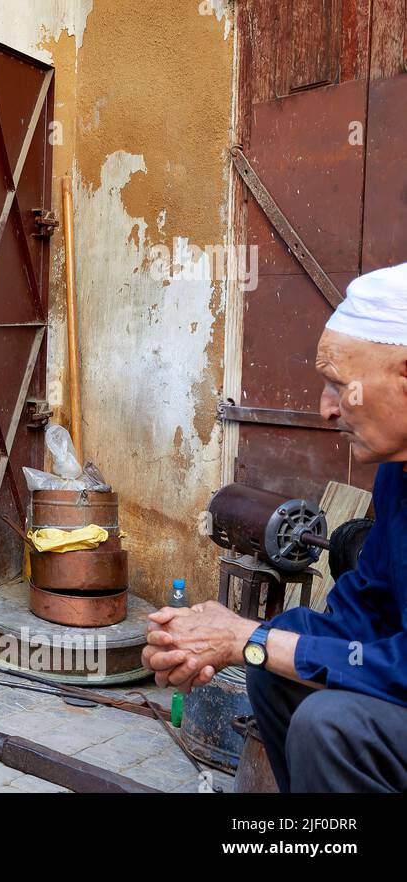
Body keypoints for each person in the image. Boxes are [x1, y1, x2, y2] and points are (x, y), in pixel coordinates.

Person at [142, 262, 407, 792]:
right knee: (277, 667)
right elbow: (362, 619)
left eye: (338, 385)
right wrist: (224, 636)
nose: (326, 409)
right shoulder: (396, 481)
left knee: (332, 726)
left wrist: (247, 639)